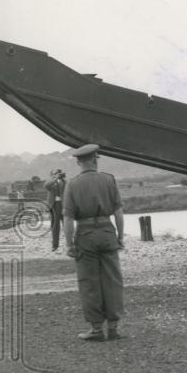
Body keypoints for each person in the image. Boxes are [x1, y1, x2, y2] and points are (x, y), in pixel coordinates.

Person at [63, 144, 126, 342]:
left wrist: (70, 245)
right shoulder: (109, 179)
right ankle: (114, 328)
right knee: (112, 279)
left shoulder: (72, 184)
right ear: (96, 159)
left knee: (89, 281)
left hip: (85, 234)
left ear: (78, 161)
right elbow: (118, 212)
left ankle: (97, 329)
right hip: (107, 231)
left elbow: (68, 219)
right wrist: (120, 237)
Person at [43, 169, 67, 251]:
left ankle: (70, 245)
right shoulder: (50, 182)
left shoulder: (64, 182)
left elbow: (68, 188)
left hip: (63, 205)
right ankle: (55, 245)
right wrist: (55, 179)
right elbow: (46, 186)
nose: (55, 175)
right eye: (53, 174)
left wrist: (62, 178)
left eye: (57, 173)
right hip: (54, 206)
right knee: (55, 226)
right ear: (51, 175)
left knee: (66, 225)